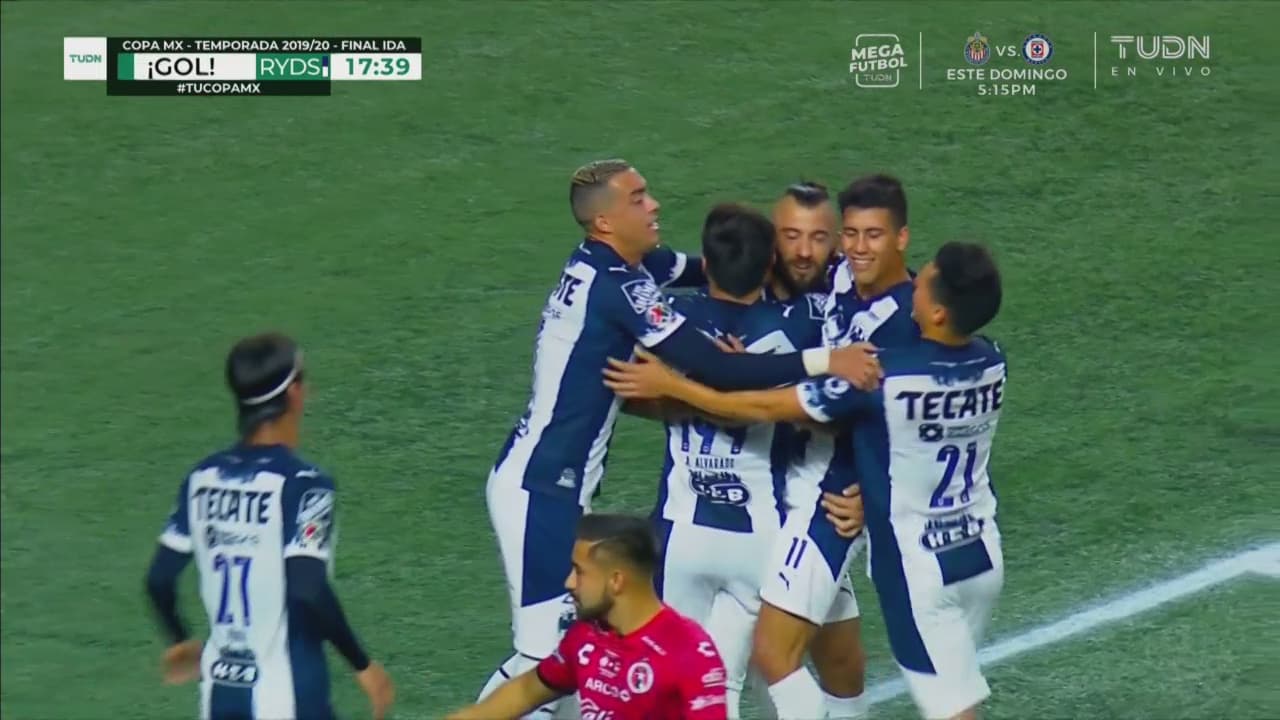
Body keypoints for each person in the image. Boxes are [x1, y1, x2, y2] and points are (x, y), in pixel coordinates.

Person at [477, 159, 883, 718]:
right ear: (605, 221)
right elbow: (716, 367)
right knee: (547, 653)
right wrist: (825, 359)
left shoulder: (612, 263)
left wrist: (758, 264)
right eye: (638, 198)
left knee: (583, 647)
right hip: (543, 487)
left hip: (555, 481)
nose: (655, 205)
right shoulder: (622, 288)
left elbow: (699, 267)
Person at [605, 241, 1007, 720]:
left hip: (918, 567)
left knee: (944, 706)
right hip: (976, 550)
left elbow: (765, 408)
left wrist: (678, 385)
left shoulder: (883, 378)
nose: (915, 281)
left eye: (926, 280)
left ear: (939, 312)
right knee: (917, 683)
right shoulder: (992, 361)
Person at [636, 202, 828, 719]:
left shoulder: (669, 320)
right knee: (733, 682)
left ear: (707, 262)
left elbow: (628, 384)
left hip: (680, 532)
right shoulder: (803, 325)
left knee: (675, 683)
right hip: (760, 537)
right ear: (769, 266)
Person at [143, 332, 394, 720]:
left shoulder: (202, 478)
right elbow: (307, 586)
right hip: (289, 699)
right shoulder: (305, 485)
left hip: (221, 697)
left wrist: (180, 640)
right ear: (294, 393)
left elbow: (159, 580)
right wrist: (363, 665)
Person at [449, 514, 731, 720]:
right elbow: (527, 690)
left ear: (616, 581)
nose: (569, 582)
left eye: (580, 572)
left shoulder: (688, 652)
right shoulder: (587, 635)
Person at [766, 181, 842, 301]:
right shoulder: (746, 294)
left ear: (837, 244)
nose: (804, 252)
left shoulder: (849, 298)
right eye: (792, 236)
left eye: (818, 239)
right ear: (771, 237)